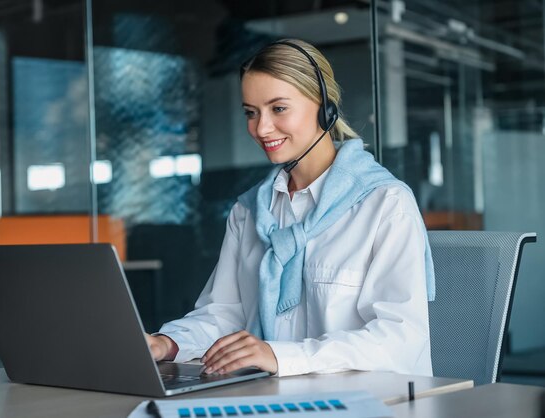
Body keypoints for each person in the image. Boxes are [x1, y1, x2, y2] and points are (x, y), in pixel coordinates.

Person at [146, 39, 435, 378]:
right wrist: (168, 343)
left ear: (324, 107)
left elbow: (400, 338)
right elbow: (224, 314)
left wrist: (282, 356)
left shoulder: (384, 204)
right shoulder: (250, 211)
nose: (261, 128)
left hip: (367, 402)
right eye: (251, 113)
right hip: (276, 399)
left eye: (278, 108)